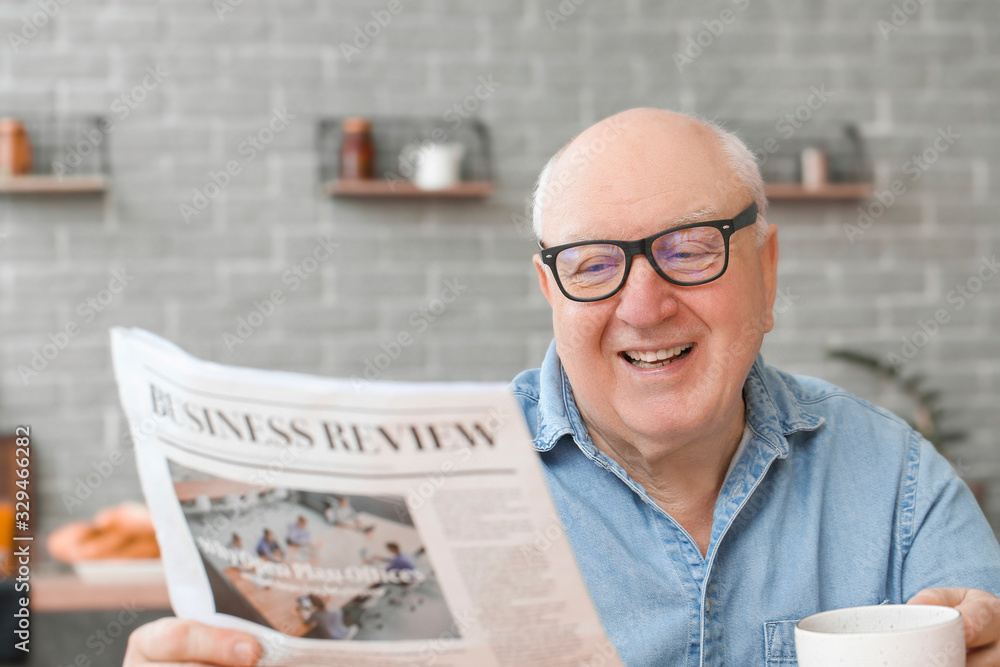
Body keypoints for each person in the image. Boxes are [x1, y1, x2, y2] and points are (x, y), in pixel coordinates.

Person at [124, 108, 1000, 666]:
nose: (644, 305)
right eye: (592, 266)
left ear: (765, 270)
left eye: (690, 248)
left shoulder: (901, 487)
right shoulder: (411, 502)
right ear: (550, 292)